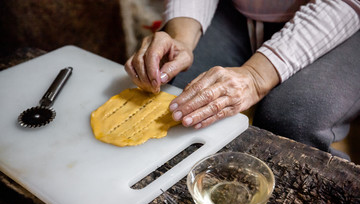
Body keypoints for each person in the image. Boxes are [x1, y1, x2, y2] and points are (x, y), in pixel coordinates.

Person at [125, 0, 360, 159]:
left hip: (342, 14)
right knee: (176, 90)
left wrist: (256, 77)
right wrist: (182, 37)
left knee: (292, 119)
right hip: (237, 11)